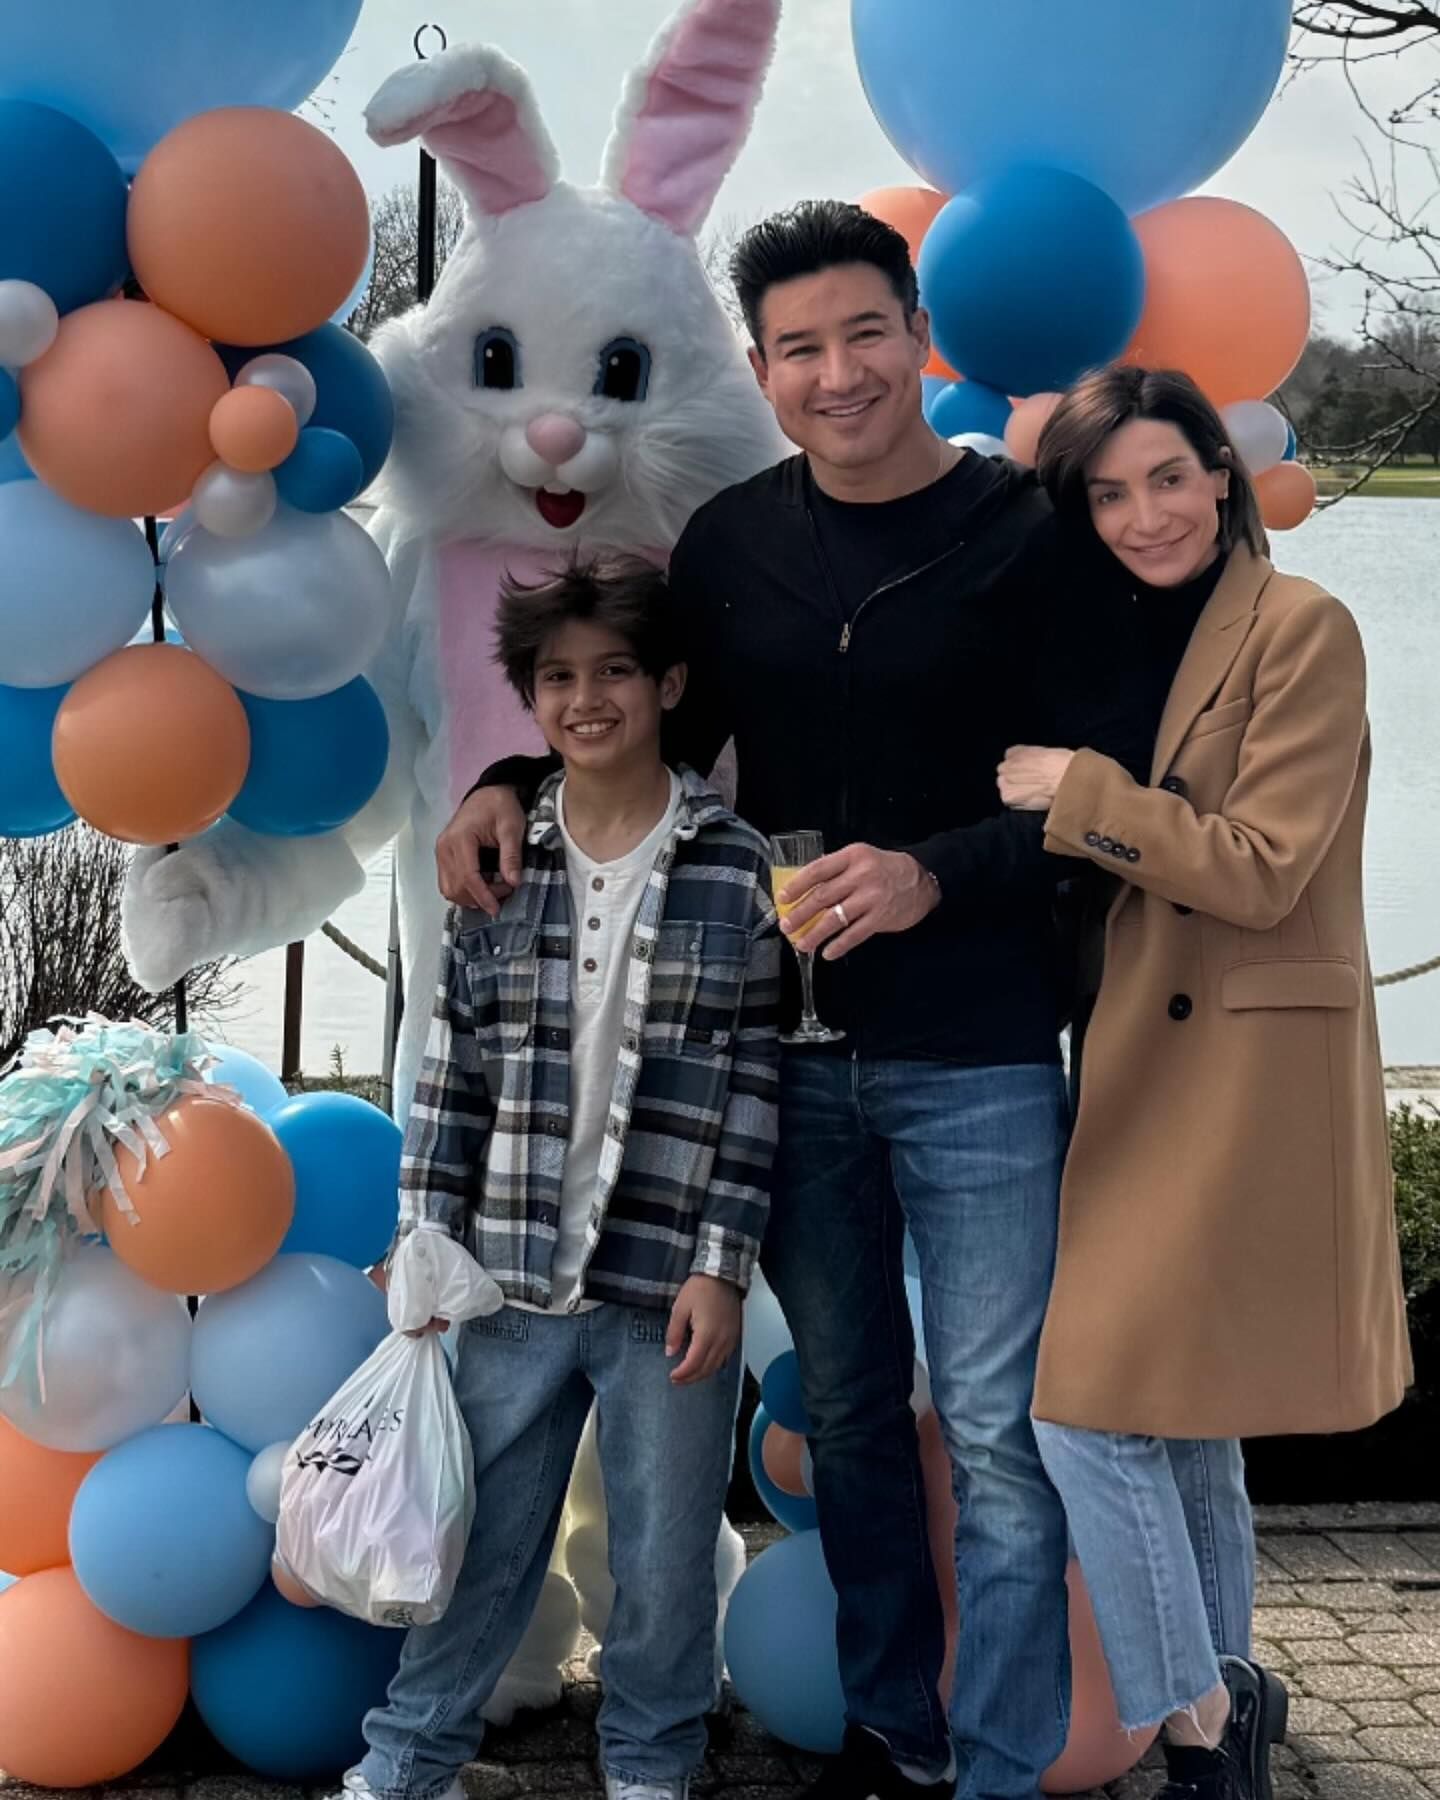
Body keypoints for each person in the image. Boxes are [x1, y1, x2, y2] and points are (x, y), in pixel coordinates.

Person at [434, 201, 1150, 1800]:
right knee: (848, 1411)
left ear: (920, 338)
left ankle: (1000, 1762)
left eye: (865, 335)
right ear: (762, 373)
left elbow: (1103, 792)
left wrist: (932, 875)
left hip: (978, 1049)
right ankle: (900, 1737)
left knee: (996, 1424)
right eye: (800, 349)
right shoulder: (733, 543)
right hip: (794, 1057)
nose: (839, 374)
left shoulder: (1028, 534)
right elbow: (651, 738)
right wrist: (504, 781)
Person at [996, 365, 1412, 1800]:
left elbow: (1262, 865)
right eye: (1110, 493)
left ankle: (1193, 1718)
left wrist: (1080, 794)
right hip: (1135, 1055)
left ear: (1222, 478)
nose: (1146, 515)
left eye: (1169, 478)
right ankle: (1230, 1699)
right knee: (1177, 1416)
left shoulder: (1303, 627)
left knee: (1083, 1410)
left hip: (1244, 1072)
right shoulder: (1119, 633)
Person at [343, 556, 781, 1800]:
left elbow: (756, 1086)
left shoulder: (736, 866)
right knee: (479, 1545)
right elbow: (451, 1067)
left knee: (662, 1557)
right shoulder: (496, 859)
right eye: (557, 679)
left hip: (663, 1286)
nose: (586, 700)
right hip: (509, 1276)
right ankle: (406, 1762)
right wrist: (425, 1233)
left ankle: (650, 1765)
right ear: (531, 700)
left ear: (669, 684)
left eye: (615, 672)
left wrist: (722, 1267)